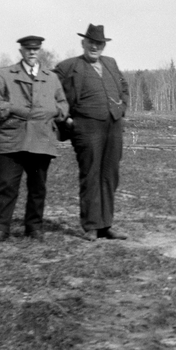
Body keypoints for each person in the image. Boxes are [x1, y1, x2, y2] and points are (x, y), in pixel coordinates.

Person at [0, 35, 69, 242]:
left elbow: (63, 104)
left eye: (36, 50)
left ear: (40, 51)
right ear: (21, 51)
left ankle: (34, 227)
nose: (32, 53)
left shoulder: (51, 77)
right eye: (28, 49)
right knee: (6, 185)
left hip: (41, 138)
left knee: (38, 186)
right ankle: (0, 228)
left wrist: (55, 111)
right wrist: (10, 108)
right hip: (12, 139)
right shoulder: (5, 74)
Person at [55, 24, 129, 240]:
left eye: (98, 43)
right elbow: (52, 93)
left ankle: (106, 224)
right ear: (83, 43)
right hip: (86, 128)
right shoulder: (68, 67)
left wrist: (122, 108)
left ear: (103, 46)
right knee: (91, 175)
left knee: (109, 175)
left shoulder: (111, 64)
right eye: (90, 43)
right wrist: (65, 118)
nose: (94, 47)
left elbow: (124, 88)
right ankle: (91, 226)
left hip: (113, 127)